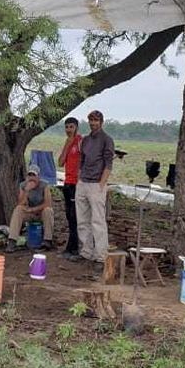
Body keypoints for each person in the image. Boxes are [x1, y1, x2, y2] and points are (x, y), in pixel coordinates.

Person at [75, 110, 114, 274]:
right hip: (83, 183)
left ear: (101, 122)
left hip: (97, 184)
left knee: (98, 221)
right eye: (91, 120)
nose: (93, 123)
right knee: (82, 220)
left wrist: (101, 185)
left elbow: (108, 164)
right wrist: (79, 179)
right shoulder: (85, 140)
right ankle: (86, 252)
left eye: (96, 120)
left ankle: (100, 256)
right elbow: (82, 161)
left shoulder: (106, 140)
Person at [7, 165, 54, 252]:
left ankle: (47, 240)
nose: (32, 178)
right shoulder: (23, 185)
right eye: (30, 175)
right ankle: (12, 241)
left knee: (48, 210)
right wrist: (27, 190)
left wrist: (33, 209)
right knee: (18, 209)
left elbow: (48, 203)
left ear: (38, 177)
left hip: (41, 213)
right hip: (30, 214)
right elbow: (21, 203)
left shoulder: (45, 185)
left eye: (34, 175)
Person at [56, 117, 83, 261]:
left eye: (71, 127)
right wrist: (67, 145)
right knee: (69, 216)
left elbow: (84, 160)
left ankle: (75, 249)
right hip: (67, 183)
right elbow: (60, 162)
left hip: (76, 184)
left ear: (77, 127)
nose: (68, 130)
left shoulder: (80, 141)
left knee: (74, 217)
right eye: (66, 127)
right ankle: (70, 248)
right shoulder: (68, 142)